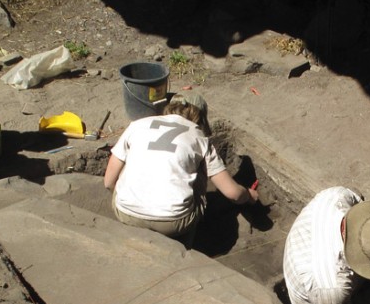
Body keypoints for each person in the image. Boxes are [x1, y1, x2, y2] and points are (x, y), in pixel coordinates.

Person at [103, 91, 257, 244]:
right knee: (199, 171)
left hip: (126, 213)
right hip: (173, 222)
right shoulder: (199, 138)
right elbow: (233, 194)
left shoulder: (137, 125)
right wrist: (249, 196)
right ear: (200, 116)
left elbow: (108, 182)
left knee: (127, 162)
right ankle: (185, 242)